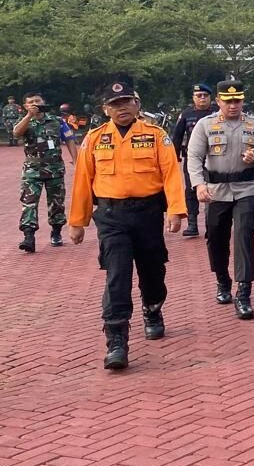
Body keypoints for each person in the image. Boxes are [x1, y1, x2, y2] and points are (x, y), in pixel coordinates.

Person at [68, 77, 186, 369]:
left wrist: (176, 210)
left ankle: (152, 308)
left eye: (126, 102)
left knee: (153, 272)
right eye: (115, 104)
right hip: (111, 217)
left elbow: (171, 173)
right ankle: (116, 340)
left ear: (137, 104)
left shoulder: (156, 135)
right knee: (117, 275)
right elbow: (83, 180)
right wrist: (77, 221)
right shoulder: (95, 138)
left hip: (148, 214)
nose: (122, 108)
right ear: (105, 109)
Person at [188, 81, 254, 320]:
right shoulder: (205, 125)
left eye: (237, 100)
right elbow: (194, 157)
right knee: (216, 237)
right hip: (216, 191)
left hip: (246, 189)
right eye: (227, 101)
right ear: (218, 101)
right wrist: (198, 184)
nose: (232, 105)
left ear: (243, 101)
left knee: (244, 236)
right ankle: (222, 279)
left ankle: (244, 293)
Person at [13, 92, 79, 251]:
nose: (34, 104)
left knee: (56, 203)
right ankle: (29, 236)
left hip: (54, 169)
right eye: (30, 102)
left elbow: (69, 139)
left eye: (37, 101)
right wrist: (29, 116)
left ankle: (56, 232)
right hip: (32, 170)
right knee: (29, 202)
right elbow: (16, 133)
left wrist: (76, 160)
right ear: (25, 106)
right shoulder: (25, 121)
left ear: (43, 102)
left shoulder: (57, 121)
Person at [171, 83, 218, 237]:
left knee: (213, 189)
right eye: (199, 96)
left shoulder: (218, 112)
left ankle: (212, 225)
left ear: (210, 97)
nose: (202, 98)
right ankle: (192, 223)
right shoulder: (186, 114)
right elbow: (177, 137)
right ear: (193, 98)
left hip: (214, 157)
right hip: (193, 158)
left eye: (205, 95)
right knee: (191, 190)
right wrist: (174, 156)